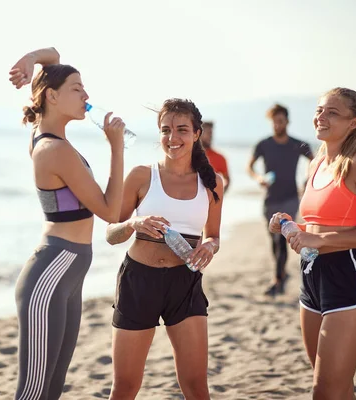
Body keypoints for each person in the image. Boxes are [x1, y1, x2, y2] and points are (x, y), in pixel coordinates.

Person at [8, 47, 126, 400]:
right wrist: (116, 148)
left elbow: (54, 54)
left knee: (52, 388)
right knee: (33, 391)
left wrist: (30, 60)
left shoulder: (48, 137)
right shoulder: (52, 150)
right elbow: (110, 211)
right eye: (77, 88)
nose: (87, 96)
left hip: (68, 271)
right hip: (51, 272)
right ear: (52, 96)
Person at [269, 87, 356, 399]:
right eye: (320, 110)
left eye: (332, 112)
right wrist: (289, 225)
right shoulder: (316, 163)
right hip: (310, 279)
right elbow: (315, 224)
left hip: (346, 278)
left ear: (354, 123)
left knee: (324, 391)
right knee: (337, 386)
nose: (321, 117)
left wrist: (318, 239)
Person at [105, 98, 223, 400]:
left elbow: (213, 236)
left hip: (185, 284)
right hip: (139, 282)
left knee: (197, 385)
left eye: (182, 130)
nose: (173, 138)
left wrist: (209, 248)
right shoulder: (143, 175)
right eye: (165, 130)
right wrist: (134, 223)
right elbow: (110, 233)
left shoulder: (212, 183)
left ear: (197, 134)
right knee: (126, 386)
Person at [247, 103, 314, 296]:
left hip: (291, 198)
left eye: (281, 121)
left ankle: (277, 281)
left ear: (287, 121)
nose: (278, 125)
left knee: (282, 236)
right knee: (274, 239)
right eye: (275, 121)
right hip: (270, 199)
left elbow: (314, 160)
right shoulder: (264, 144)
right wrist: (259, 178)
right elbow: (249, 166)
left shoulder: (297, 144)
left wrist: (308, 178)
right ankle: (282, 274)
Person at [201, 121, 230, 192]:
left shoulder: (220, 158)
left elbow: (227, 180)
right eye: (208, 133)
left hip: (210, 201)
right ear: (198, 134)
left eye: (211, 133)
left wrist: (219, 197)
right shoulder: (188, 155)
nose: (210, 136)